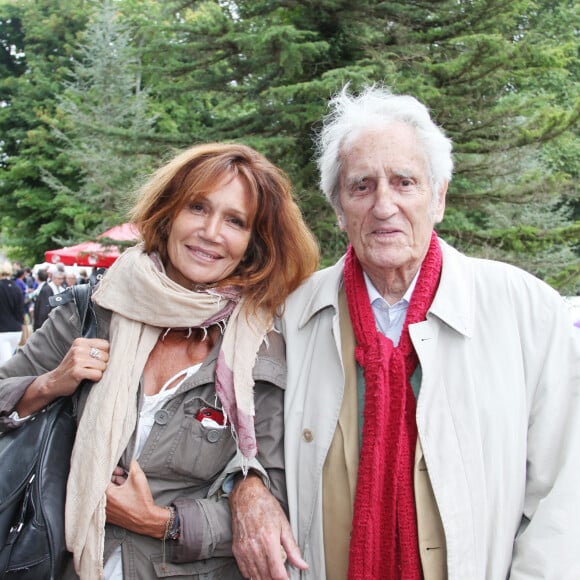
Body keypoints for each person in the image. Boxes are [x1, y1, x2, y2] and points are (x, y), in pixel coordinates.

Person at [229, 86, 580, 580]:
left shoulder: (526, 311)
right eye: (362, 186)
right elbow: (242, 433)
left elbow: (565, 494)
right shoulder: (290, 313)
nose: (384, 205)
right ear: (338, 208)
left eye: (405, 182)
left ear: (438, 198)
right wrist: (247, 486)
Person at [0, 142, 319, 579]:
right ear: (169, 214)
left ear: (252, 243)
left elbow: (277, 506)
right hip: (61, 562)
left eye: (235, 221)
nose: (210, 231)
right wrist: (50, 383)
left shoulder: (263, 346)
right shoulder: (94, 309)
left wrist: (161, 522)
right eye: (198, 207)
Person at [0, 262, 24, 364]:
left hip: (3, 330)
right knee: (8, 360)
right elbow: (20, 311)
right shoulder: (17, 288)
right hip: (16, 330)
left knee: (4, 364)